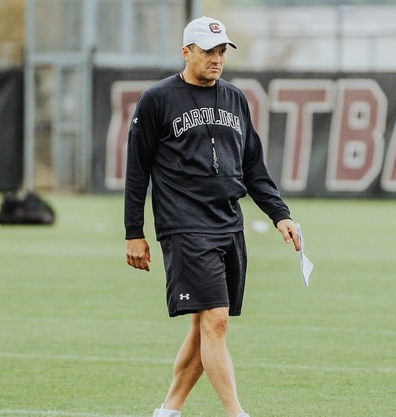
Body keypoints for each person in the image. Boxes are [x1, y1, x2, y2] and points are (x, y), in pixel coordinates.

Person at [124, 15, 301, 417]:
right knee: (216, 321)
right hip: (184, 225)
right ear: (186, 52)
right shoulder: (157, 99)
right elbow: (137, 170)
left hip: (228, 223)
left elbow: (253, 166)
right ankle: (237, 413)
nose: (216, 59)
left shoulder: (235, 98)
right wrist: (134, 232)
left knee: (204, 326)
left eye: (221, 51)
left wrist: (280, 215)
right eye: (208, 51)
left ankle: (168, 410)